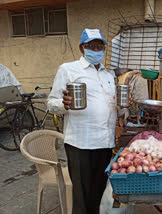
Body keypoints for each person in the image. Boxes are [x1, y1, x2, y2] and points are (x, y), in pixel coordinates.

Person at [47, 29, 116, 214]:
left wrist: (125, 106)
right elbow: (51, 103)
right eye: (91, 46)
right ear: (82, 48)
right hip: (80, 143)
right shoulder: (68, 69)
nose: (96, 49)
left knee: (99, 193)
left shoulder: (108, 76)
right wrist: (64, 103)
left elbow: (112, 106)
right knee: (82, 196)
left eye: (99, 46)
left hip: (105, 142)